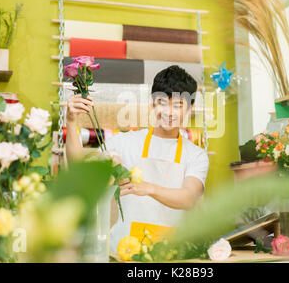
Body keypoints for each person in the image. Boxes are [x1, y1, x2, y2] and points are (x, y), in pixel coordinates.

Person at [65, 65, 209, 254]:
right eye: (163, 102)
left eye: (178, 105)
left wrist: (150, 188)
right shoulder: (125, 143)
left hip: (173, 254)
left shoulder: (196, 155)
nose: (169, 112)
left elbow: (189, 198)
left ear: (190, 108)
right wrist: (71, 121)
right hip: (123, 253)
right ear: (152, 103)